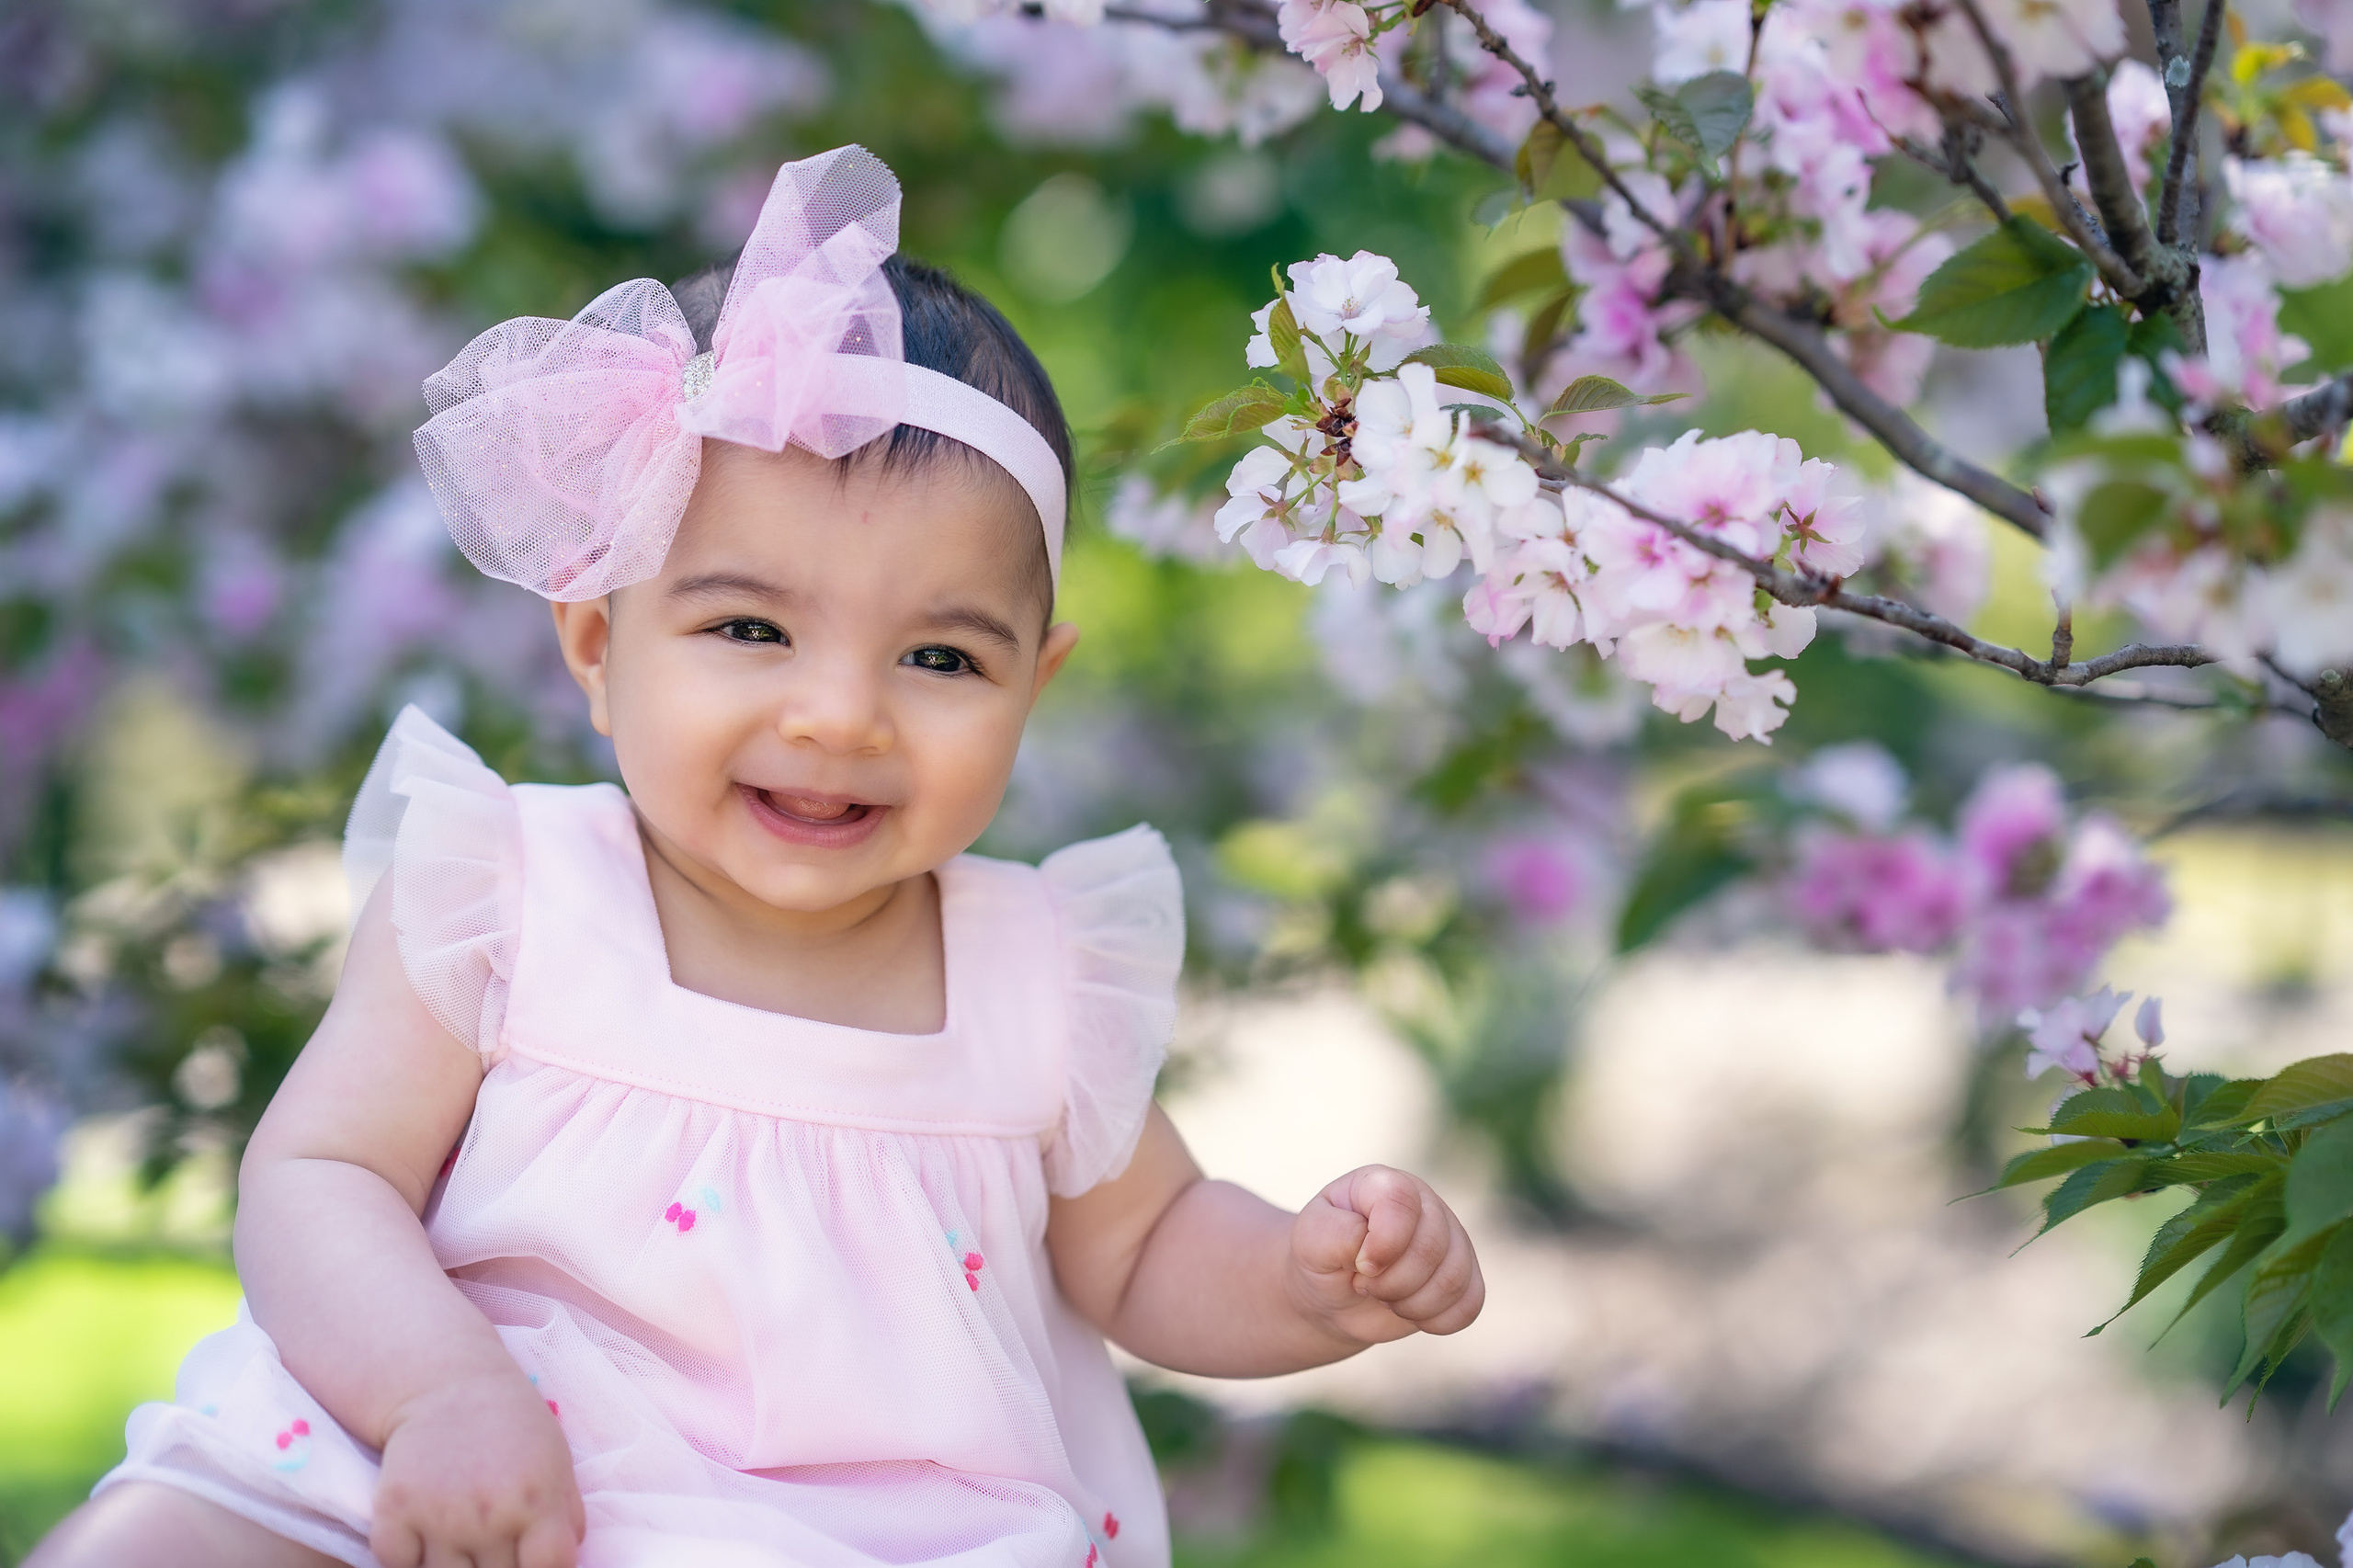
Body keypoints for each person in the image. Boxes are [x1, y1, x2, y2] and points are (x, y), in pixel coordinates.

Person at [28, 145, 1483, 1568]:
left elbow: (1149, 1245)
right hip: (462, 1457)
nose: (839, 715)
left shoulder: (1031, 975)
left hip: (846, 1531)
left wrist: (1301, 1274)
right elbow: (321, 1173)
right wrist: (437, 1392)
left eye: (939, 657)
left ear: (1033, 686)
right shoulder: (511, 893)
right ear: (597, 643)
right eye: (750, 628)